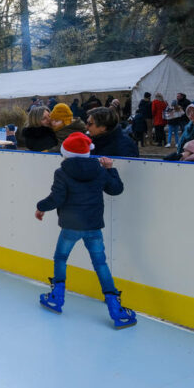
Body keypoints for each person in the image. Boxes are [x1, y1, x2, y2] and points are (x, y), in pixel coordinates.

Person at [34, 132, 137, 329]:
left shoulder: (61, 172)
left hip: (70, 226)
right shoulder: (99, 170)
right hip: (93, 226)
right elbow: (116, 189)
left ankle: (57, 297)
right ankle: (115, 309)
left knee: (61, 258)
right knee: (100, 263)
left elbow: (56, 198)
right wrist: (110, 169)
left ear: (66, 153)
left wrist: (40, 207)